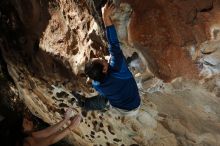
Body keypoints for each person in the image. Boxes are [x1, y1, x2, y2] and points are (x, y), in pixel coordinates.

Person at [74, 2, 141, 116]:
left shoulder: (97, 84)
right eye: (100, 60)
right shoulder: (118, 68)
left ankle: (84, 104)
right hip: (133, 106)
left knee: (106, 96)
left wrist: (107, 61)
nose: (100, 58)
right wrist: (106, 17)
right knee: (105, 99)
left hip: (119, 106)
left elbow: (106, 71)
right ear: (105, 69)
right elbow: (113, 44)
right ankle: (87, 104)